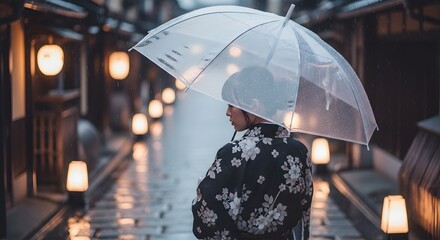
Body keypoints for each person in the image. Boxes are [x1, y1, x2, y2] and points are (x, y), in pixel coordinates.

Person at [192, 66, 313, 240]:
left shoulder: (233, 153)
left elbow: (208, 214)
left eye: (232, 105)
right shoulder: (298, 151)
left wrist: (200, 193)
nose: (228, 112)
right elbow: (303, 209)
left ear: (254, 106)